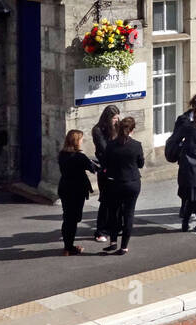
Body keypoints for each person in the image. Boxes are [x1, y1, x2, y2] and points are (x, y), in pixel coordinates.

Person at [166, 93, 196, 232]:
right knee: (194, 197)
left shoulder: (186, 126)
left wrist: (181, 149)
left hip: (188, 166)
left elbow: (174, 140)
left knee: (193, 197)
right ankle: (195, 224)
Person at [101, 116, 144, 255]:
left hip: (115, 183)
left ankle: (113, 242)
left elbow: (105, 164)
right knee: (128, 214)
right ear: (132, 130)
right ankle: (124, 246)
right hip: (132, 183)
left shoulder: (111, 145)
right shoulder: (136, 145)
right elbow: (140, 164)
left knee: (114, 213)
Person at [57, 130, 98, 256]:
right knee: (74, 219)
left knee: (67, 217)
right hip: (77, 191)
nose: (82, 141)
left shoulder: (62, 154)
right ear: (76, 142)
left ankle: (67, 246)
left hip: (65, 188)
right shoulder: (80, 157)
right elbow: (93, 168)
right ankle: (69, 247)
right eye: (81, 139)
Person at [90, 105, 119, 244]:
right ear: (108, 118)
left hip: (117, 168)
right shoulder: (98, 130)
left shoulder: (117, 127)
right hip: (105, 168)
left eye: (117, 118)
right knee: (106, 200)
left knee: (118, 200)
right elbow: (104, 148)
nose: (116, 120)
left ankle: (115, 226)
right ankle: (101, 230)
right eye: (114, 118)